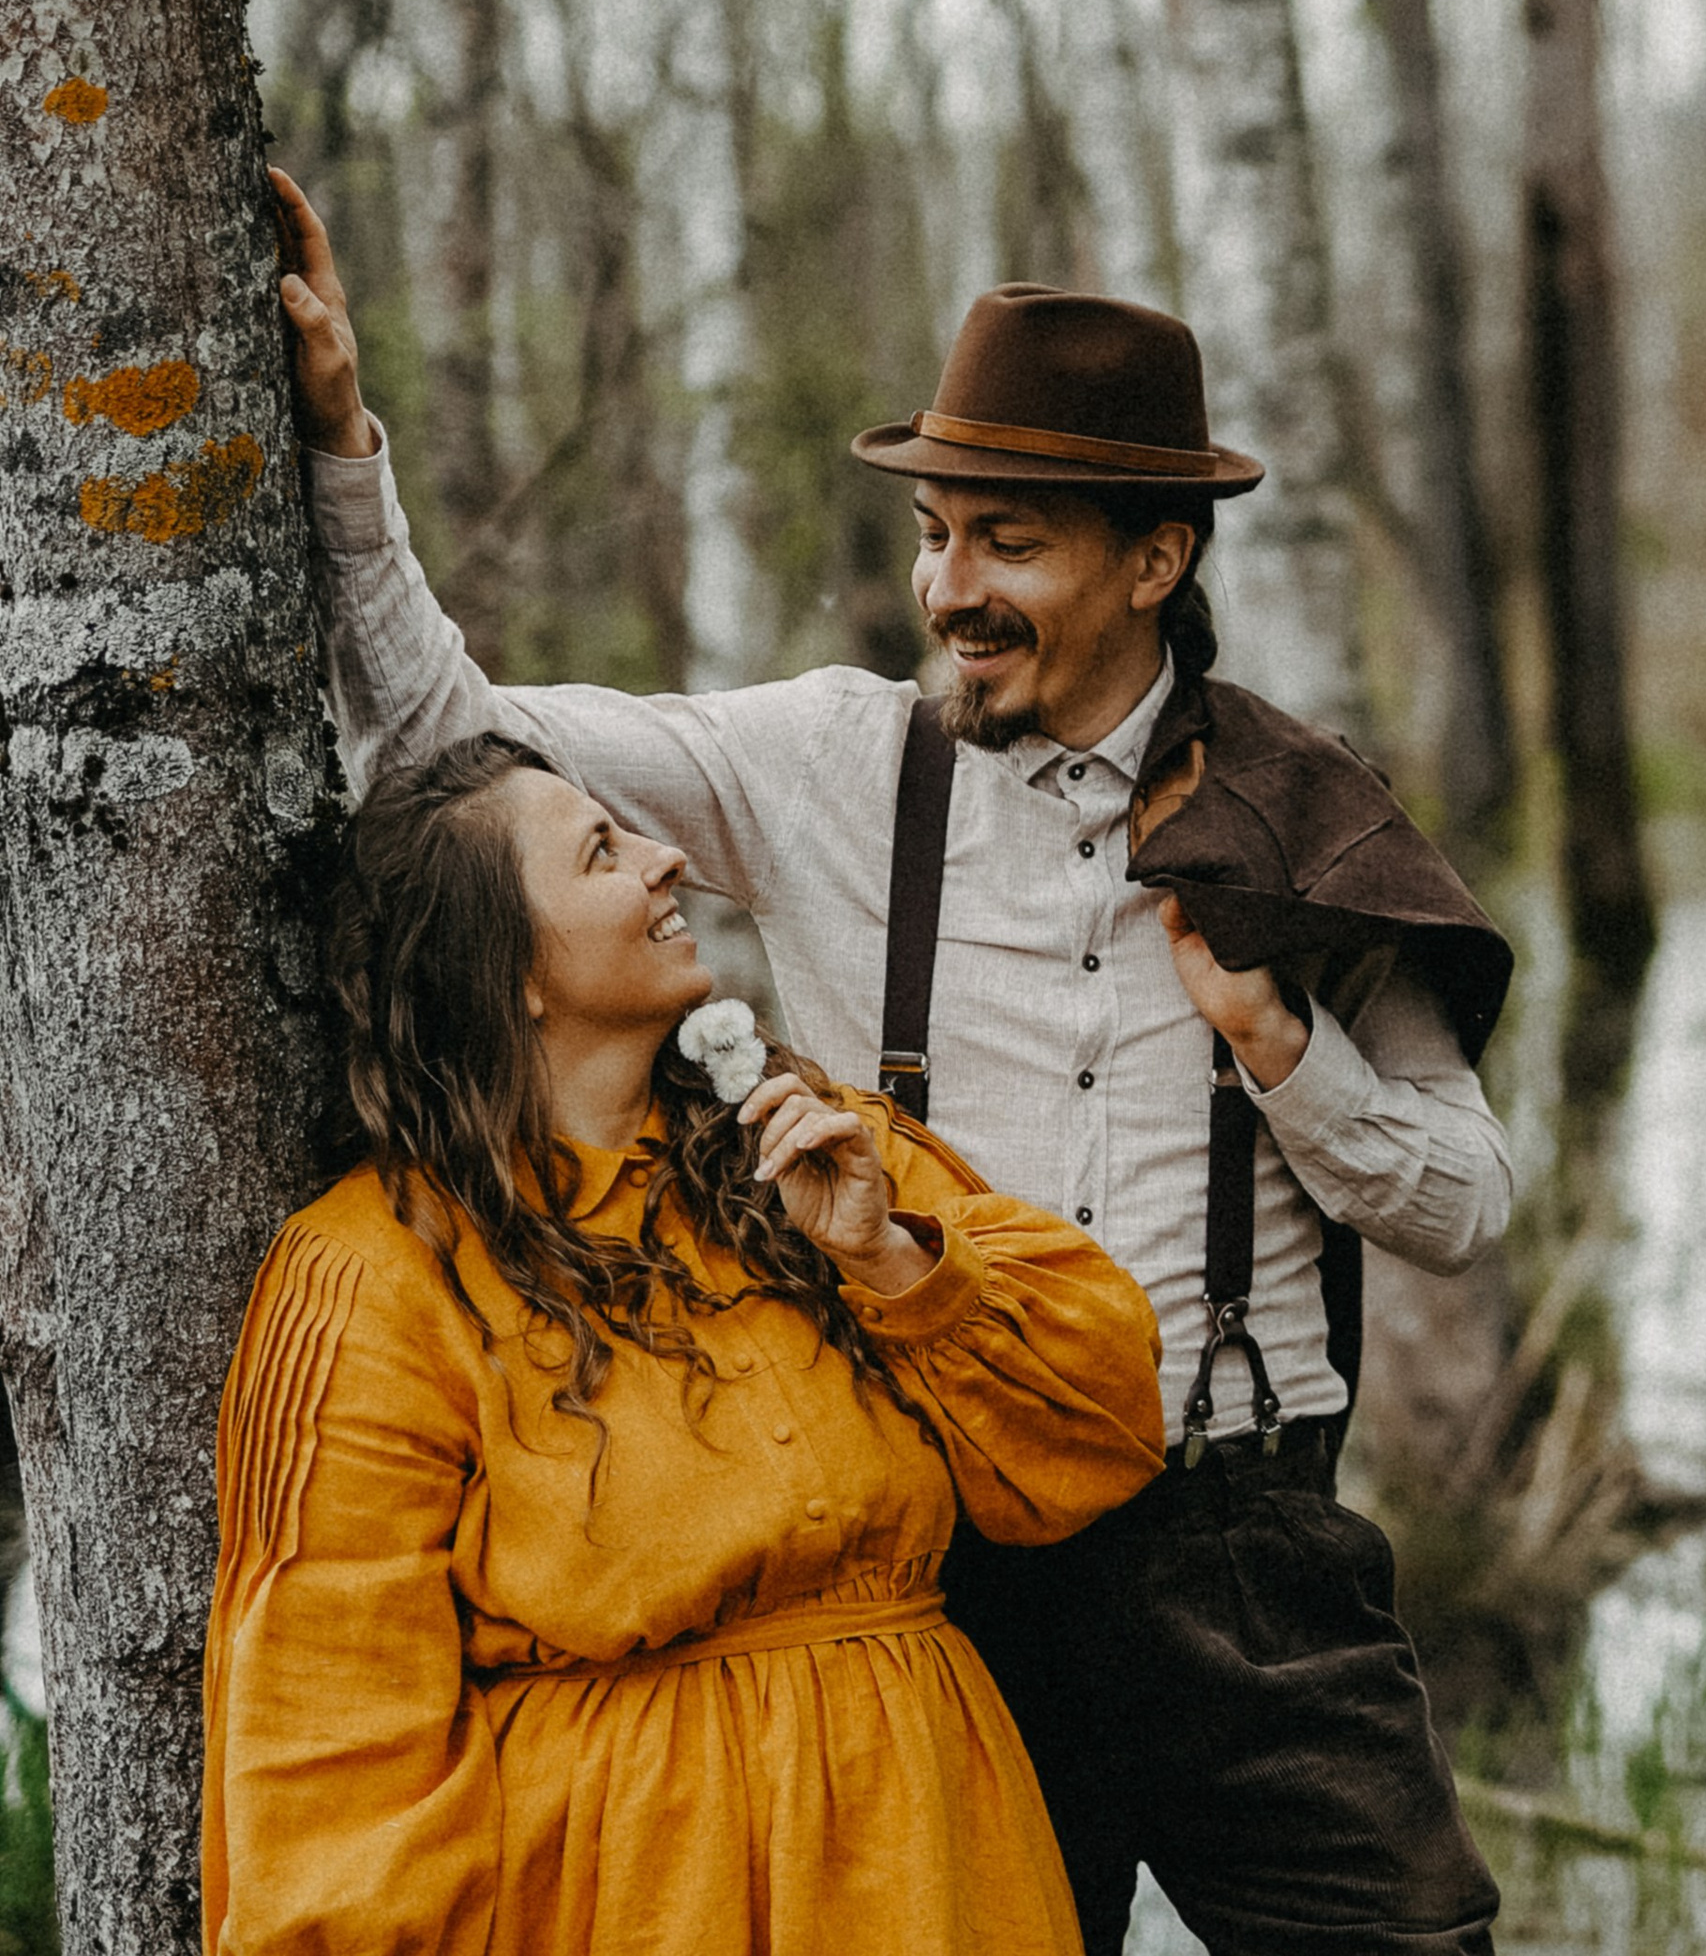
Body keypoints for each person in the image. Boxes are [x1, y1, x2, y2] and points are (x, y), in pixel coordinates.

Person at [272, 175, 1510, 1956]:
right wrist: (340, 450)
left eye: (1005, 541)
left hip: (1254, 1562)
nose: (947, 590)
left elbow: (1466, 1206)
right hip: (951, 1554)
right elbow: (453, 751)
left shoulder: (1308, 825)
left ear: (1155, 558)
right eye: (936, 535)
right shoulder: (834, 764)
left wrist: (1281, 1044)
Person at [203, 729, 1165, 1956]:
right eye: (603, 851)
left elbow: (1102, 1426)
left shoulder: (806, 1141)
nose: (666, 860)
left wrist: (887, 1257)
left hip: (932, 1858)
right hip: (643, 1888)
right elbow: (330, 1738)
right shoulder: (379, 1273)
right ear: (510, 971)